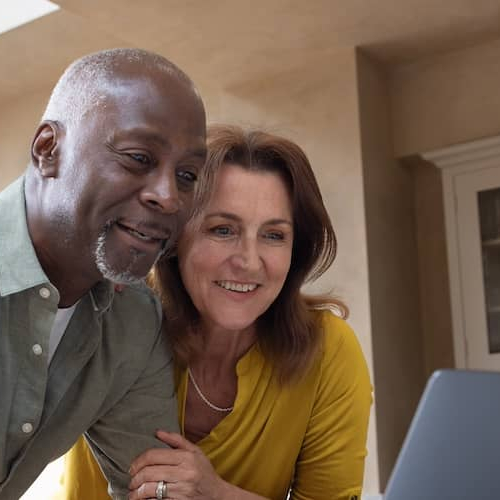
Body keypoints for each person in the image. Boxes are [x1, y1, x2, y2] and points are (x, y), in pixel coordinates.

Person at [63, 125, 372, 500]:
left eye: (274, 235)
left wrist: (215, 494)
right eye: (222, 229)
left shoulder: (327, 351)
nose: (249, 262)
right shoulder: (118, 320)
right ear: (176, 237)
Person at [0, 48, 207, 499]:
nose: (169, 198)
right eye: (138, 157)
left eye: (188, 175)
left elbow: (158, 490)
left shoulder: (135, 320)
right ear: (47, 150)